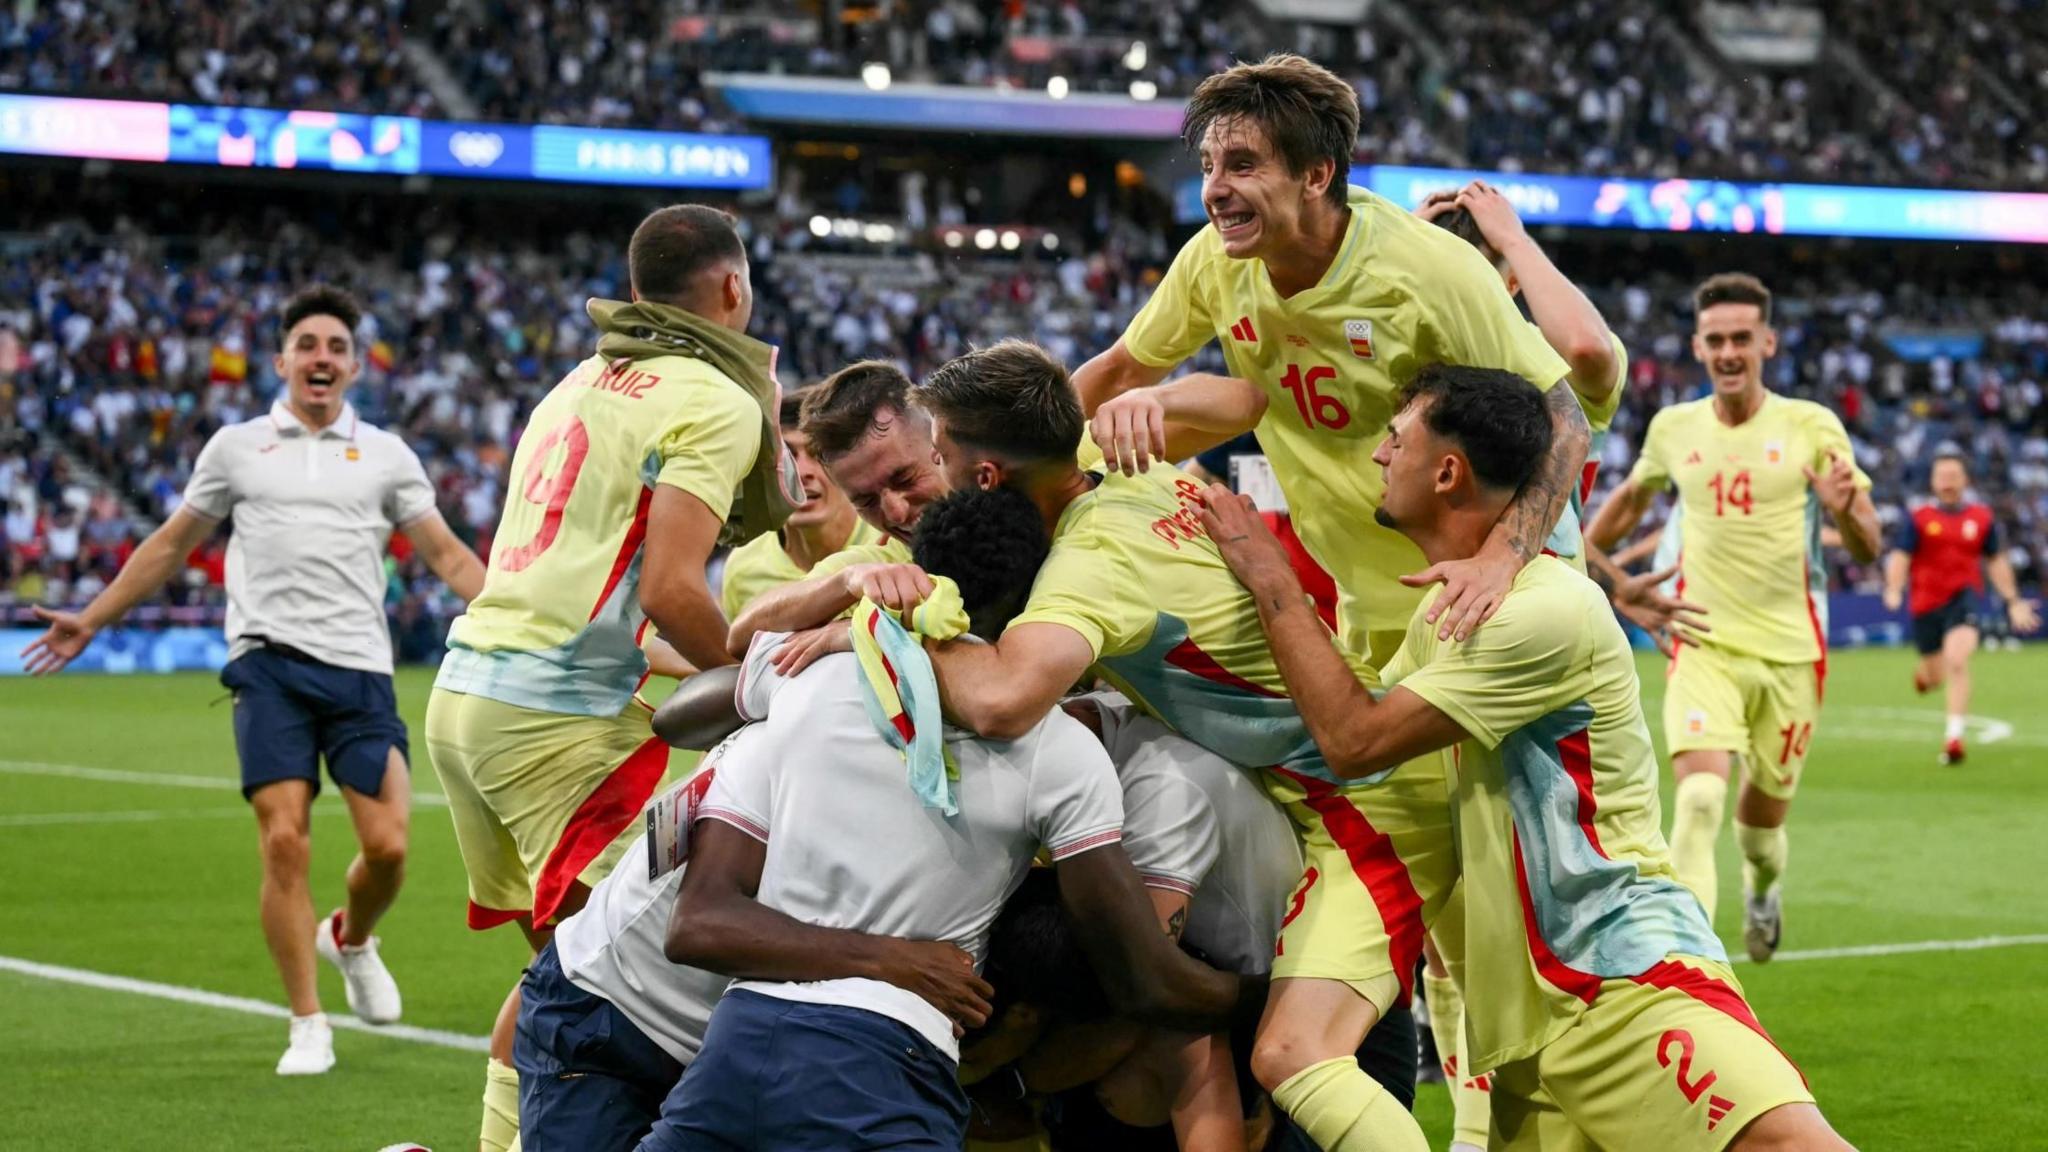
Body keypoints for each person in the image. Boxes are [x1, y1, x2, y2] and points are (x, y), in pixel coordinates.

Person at [1202, 363, 1853, 1151]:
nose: (1378, 454)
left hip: (1619, 977)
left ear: (1449, 471)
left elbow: (1355, 739)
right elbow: (1370, 765)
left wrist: (1271, 579)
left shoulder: (1540, 611)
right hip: (1528, 1026)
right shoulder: (1446, 614)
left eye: (1396, 437)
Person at [907, 341, 1438, 1152]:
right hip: (1352, 788)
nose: (926, 479)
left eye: (937, 455)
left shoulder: (1092, 568)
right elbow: (1245, 401)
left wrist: (887, 624)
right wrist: (1158, 401)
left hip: (1357, 810)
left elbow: (1002, 701)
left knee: (1305, 1059)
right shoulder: (1115, 467)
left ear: (986, 475)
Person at [640, 491, 1254, 1152]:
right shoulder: (1061, 754)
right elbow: (1141, 975)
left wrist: (832, 642)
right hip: (886, 1064)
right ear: (1034, 598)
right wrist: (1263, 998)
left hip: (738, 1045)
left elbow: (677, 716)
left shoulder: (815, 667)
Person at [21, 286, 486, 1076]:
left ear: (353, 366)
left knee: (390, 848)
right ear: (281, 361)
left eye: (336, 347)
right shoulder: (237, 447)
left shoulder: (386, 454)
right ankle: (307, 1023)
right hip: (267, 666)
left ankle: (351, 937)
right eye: (307, 344)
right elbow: (171, 544)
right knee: (283, 840)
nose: (322, 358)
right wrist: (93, 617)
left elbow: (445, 555)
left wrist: (519, 615)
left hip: (362, 671)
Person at [424, 204, 798, 1152]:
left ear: (634, 297)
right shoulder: (710, 400)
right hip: (551, 719)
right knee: (669, 961)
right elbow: (674, 592)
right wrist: (771, 681)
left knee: (566, 977)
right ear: (734, 291)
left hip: (466, 697)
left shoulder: (575, 382)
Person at [1585, 273, 1881, 964]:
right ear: (1697, 345)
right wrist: (1594, 567)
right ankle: (1696, 970)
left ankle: (1762, 888)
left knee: (1757, 829)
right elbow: (1629, 501)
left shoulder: (1810, 426)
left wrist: (1843, 508)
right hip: (1702, 642)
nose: (1728, 352)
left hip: (1791, 653)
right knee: (1696, 803)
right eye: (1715, 339)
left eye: (1741, 339)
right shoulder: (1674, 428)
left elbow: (1867, 542)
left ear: (1767, 343)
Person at [1417, 180, 1708, 657]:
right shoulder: (1389, 358)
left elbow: (1587, 349)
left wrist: (1514, 240)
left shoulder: (1545, 361)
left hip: (1531, 627)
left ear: (1512, 284)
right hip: (1421, 622)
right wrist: (1400, 241)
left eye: (1471, 277)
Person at [1882, 451, 2042, 763]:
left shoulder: (1981, 519)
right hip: (1925, 604)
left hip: (1964, 598)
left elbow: (1995, 560)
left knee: (1957, 660)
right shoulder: (1920, 519)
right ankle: (1926, 675)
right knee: (1934, 676)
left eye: (1953, 476)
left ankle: (1954, 738)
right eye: (1942, 477)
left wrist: (2012, 601)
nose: (1947, 483)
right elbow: (1901, 556)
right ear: (1932, 481)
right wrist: (1893, 588)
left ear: (1965, 480)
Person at [716, 392, 886, 619]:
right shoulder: (743, 570)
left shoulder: (889, 543)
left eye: (818, 454)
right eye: (787, 456)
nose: (802, 472)